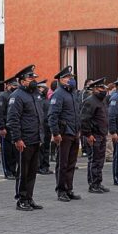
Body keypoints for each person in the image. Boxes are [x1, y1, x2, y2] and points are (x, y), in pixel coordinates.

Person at [7, 65, 44, 211]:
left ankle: (29, 197)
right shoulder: (16, 96)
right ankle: (21, 199)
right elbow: (13, 119)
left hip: (35, 138)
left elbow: (39, 116)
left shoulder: (35, 94)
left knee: (32, 171)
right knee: (23, 171)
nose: (34, 80)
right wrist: (17, 139)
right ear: (22, 81)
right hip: (24, 140)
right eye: (30, 78)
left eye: (34, 77)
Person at [48, 66, 82, 202]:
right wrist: (56, 133)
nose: (71, 79)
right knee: (62, 164)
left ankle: (69, 189)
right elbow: (52, 115)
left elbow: (76, 113)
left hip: (74, 132)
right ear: (61, 80)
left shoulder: (73, 93)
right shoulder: (58, 94)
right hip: (64, 133)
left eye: (71, 77)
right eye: (68, 77)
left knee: (71, 163)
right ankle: (61, 190)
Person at [81, 77, 110, 193]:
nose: (104, 90)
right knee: (94, 160)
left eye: (104, 87)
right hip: (94, 135)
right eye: (101, 88)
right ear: (95, 89)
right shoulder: (90, 101)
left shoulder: (101, 100)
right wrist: (88, 134)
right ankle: (93, 184)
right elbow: (84, 119)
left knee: (100, 161)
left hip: (102, 134)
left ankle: (98, 182)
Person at [0, 78, 18, 179]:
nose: (15, 87)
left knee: (14, 151)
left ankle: (13, 170)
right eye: (14, 85)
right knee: (7, 151)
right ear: (8, 85)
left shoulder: (15, 95)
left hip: (14, 127)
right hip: (6, 127)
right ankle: (8, 171)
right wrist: (2, 127)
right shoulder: (3, 96)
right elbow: (0, 113)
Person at [37, 79, 53, 175]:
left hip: (47, 127)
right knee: (41, 148)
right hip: (41, 127)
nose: (46, 89)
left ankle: (45, 166)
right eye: (44, 87)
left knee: (46, 148)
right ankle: (40, 167)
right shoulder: (38, 100)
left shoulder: (47, 100)